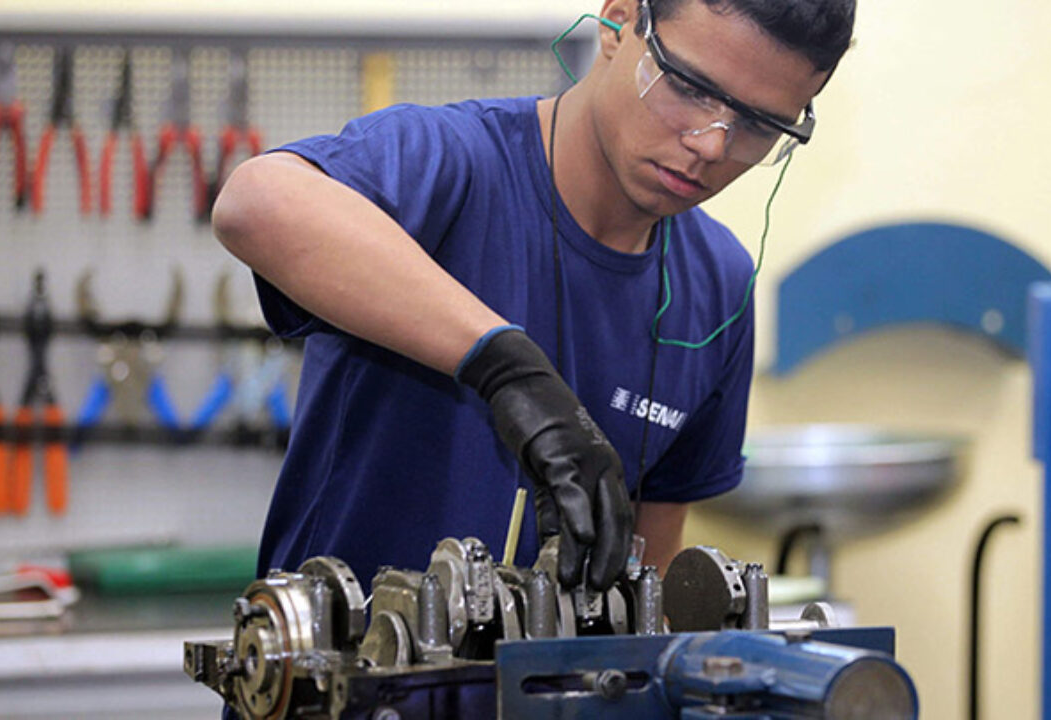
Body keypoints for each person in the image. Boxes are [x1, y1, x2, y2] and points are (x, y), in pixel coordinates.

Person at [212, 0, 854, 594]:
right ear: (618, 21)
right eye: (689, 87)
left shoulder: (717, 287)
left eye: (759, 124)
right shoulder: (452, 166)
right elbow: (258, 202)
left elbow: (650, 567)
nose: (711, 144)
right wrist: (504, 368)